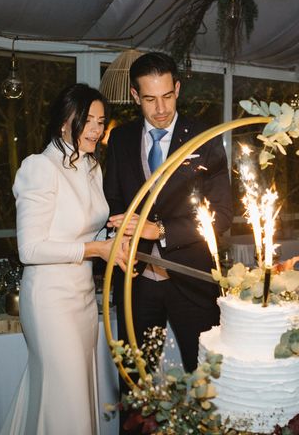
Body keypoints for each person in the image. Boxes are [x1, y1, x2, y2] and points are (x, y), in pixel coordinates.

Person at [0, 84, 128, 435]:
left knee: (71, 394)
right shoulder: (39, 167)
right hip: (50, 302)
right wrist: (95, 250)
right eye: (87, 120)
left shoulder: (91, 168)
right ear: (63, 122)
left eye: (101, 121)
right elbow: (30, 250)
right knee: (66, 400)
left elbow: (87, 233)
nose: (96, 129)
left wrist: (116, 236)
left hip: (84, 300)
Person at [103, 52, 232, 374]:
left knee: (206, 379)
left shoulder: (206, 138)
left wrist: (159, 230)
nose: (160, 109)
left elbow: (222, 214)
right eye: (149, 99)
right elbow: (114, 202)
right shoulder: (119, 138)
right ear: (135, 96)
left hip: (192, 280)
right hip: (136, 282)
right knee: (134, 382)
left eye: (167, 96)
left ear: (177, 89)